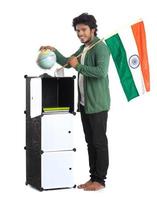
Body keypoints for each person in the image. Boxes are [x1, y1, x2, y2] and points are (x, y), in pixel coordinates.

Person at [40, 13, 110, 191]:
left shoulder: (100, 48)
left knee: (99, 143)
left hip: (98, 104)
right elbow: (67, 62)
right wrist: (54, 52)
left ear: (93, 29)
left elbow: (100, 72)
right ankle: (93, 177)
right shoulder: (84, 48)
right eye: (78, 31)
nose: (80, 34)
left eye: (84, 30)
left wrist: (78, 66)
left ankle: (100, 181)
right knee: (90, 142)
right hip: (85, 104)